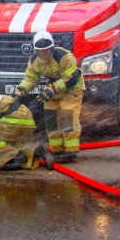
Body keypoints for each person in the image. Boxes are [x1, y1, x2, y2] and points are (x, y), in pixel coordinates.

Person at [13, 31, 84, 163]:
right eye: (41, 51)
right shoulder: (34, 60)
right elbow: (30, 78)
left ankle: (70, 151)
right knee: (51, 121)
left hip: (71, 90)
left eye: (46, 50)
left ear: (52, 48)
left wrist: (50, 90)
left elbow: (71, 78)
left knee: (67, 118)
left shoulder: (64, 57)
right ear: (36, 51)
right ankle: (57, 150)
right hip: (53, 90)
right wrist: (20, 90)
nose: (44, 53)